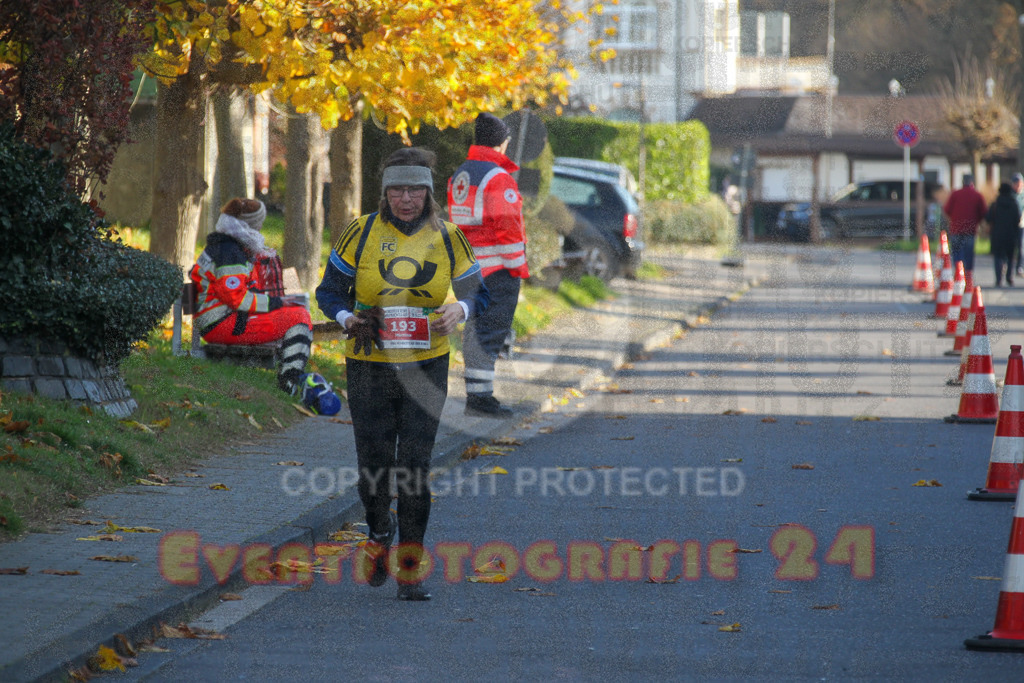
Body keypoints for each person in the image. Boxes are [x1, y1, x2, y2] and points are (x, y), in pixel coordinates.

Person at [315, 147, 488, 601]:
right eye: (397, 190)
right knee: (374, 468)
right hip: (369, 364)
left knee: (414, 469)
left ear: (428, 193)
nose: (405, 198)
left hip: (427, 365)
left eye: (414, 190)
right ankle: (378, 531)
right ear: (385, 192)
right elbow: (328, 290)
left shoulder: (449, 237)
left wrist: (459, 309)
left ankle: (410, 569)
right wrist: (348, 318)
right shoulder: (362, 231)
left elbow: (478, 293)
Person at [447, 113, 529, 418]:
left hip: (468, 267)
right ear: (503, 142)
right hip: (497, 270)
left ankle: (477, 395)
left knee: (475, 330)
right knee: (490, 331)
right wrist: (517, 266)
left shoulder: (461, 174)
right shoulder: (498, 177)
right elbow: (507, 226)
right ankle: (480, 400)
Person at [190, 198, 313, 395]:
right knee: (299, 317)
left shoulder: (227, 245)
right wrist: (275, 303)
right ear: (251, 224)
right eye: (260, 221)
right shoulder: (230, 252)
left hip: (219, 319)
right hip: (221, 324)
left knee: (296, 313)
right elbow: (237, 298)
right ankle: (289, 381)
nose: (263, 225)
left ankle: (290, 375)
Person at [943, 174, 987, 281]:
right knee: (969, 254)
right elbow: (984, 212)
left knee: (957, 253)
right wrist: (978, 221)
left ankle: (958, 275)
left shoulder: (955, 194)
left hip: (956, 229)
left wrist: (954, 219)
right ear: (972, 182)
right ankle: (968, 277)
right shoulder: (977, 195)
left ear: (962, 182)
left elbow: (947, 209)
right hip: (970, 230)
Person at [987, 182, 1022, 287]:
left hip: (997, 235)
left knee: (998, 256)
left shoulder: (995, 204)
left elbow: (988, 218)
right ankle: (1009, 277)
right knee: (1010, 257)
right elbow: (1018, 219)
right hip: (1011, 235)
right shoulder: (1014, 203)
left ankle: (998, 279)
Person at [1011, 172, 1024, 277]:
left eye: (1020, 184)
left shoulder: (1023, 196)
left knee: (1021, 246)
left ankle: (1019, 266)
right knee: (1011, 246)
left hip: (1021, 225)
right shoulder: (1010, 195)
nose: (1018, 186)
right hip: (1011, 225)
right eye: (1017, 184)